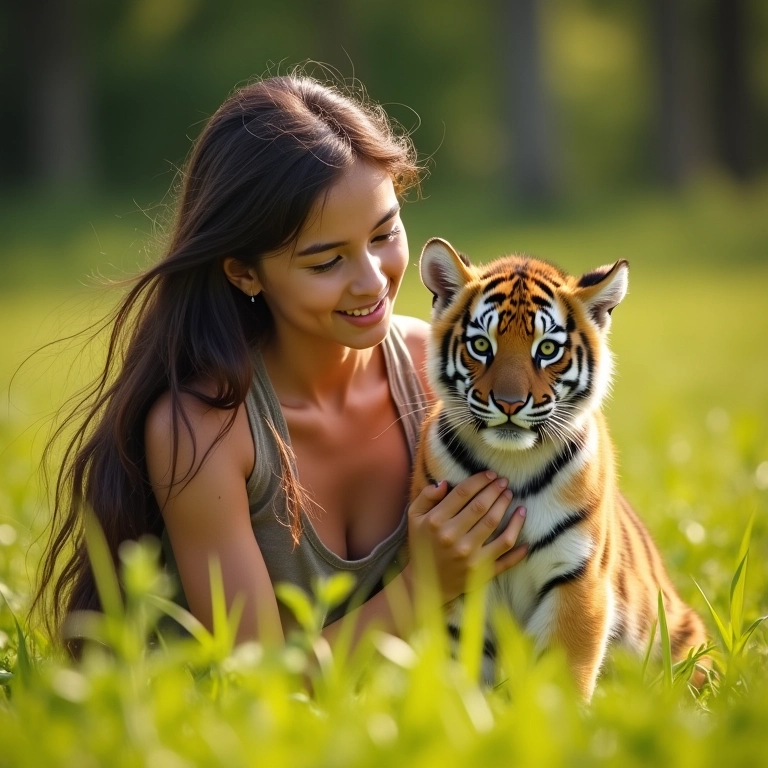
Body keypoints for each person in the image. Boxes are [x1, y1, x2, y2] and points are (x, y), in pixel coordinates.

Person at [35, 73, 528, 652]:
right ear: (244, 272)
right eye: (325, 262)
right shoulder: (203, 429)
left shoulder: (435, 373)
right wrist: (423, 587)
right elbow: (254, 673)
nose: (372, 282)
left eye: (384, 234)